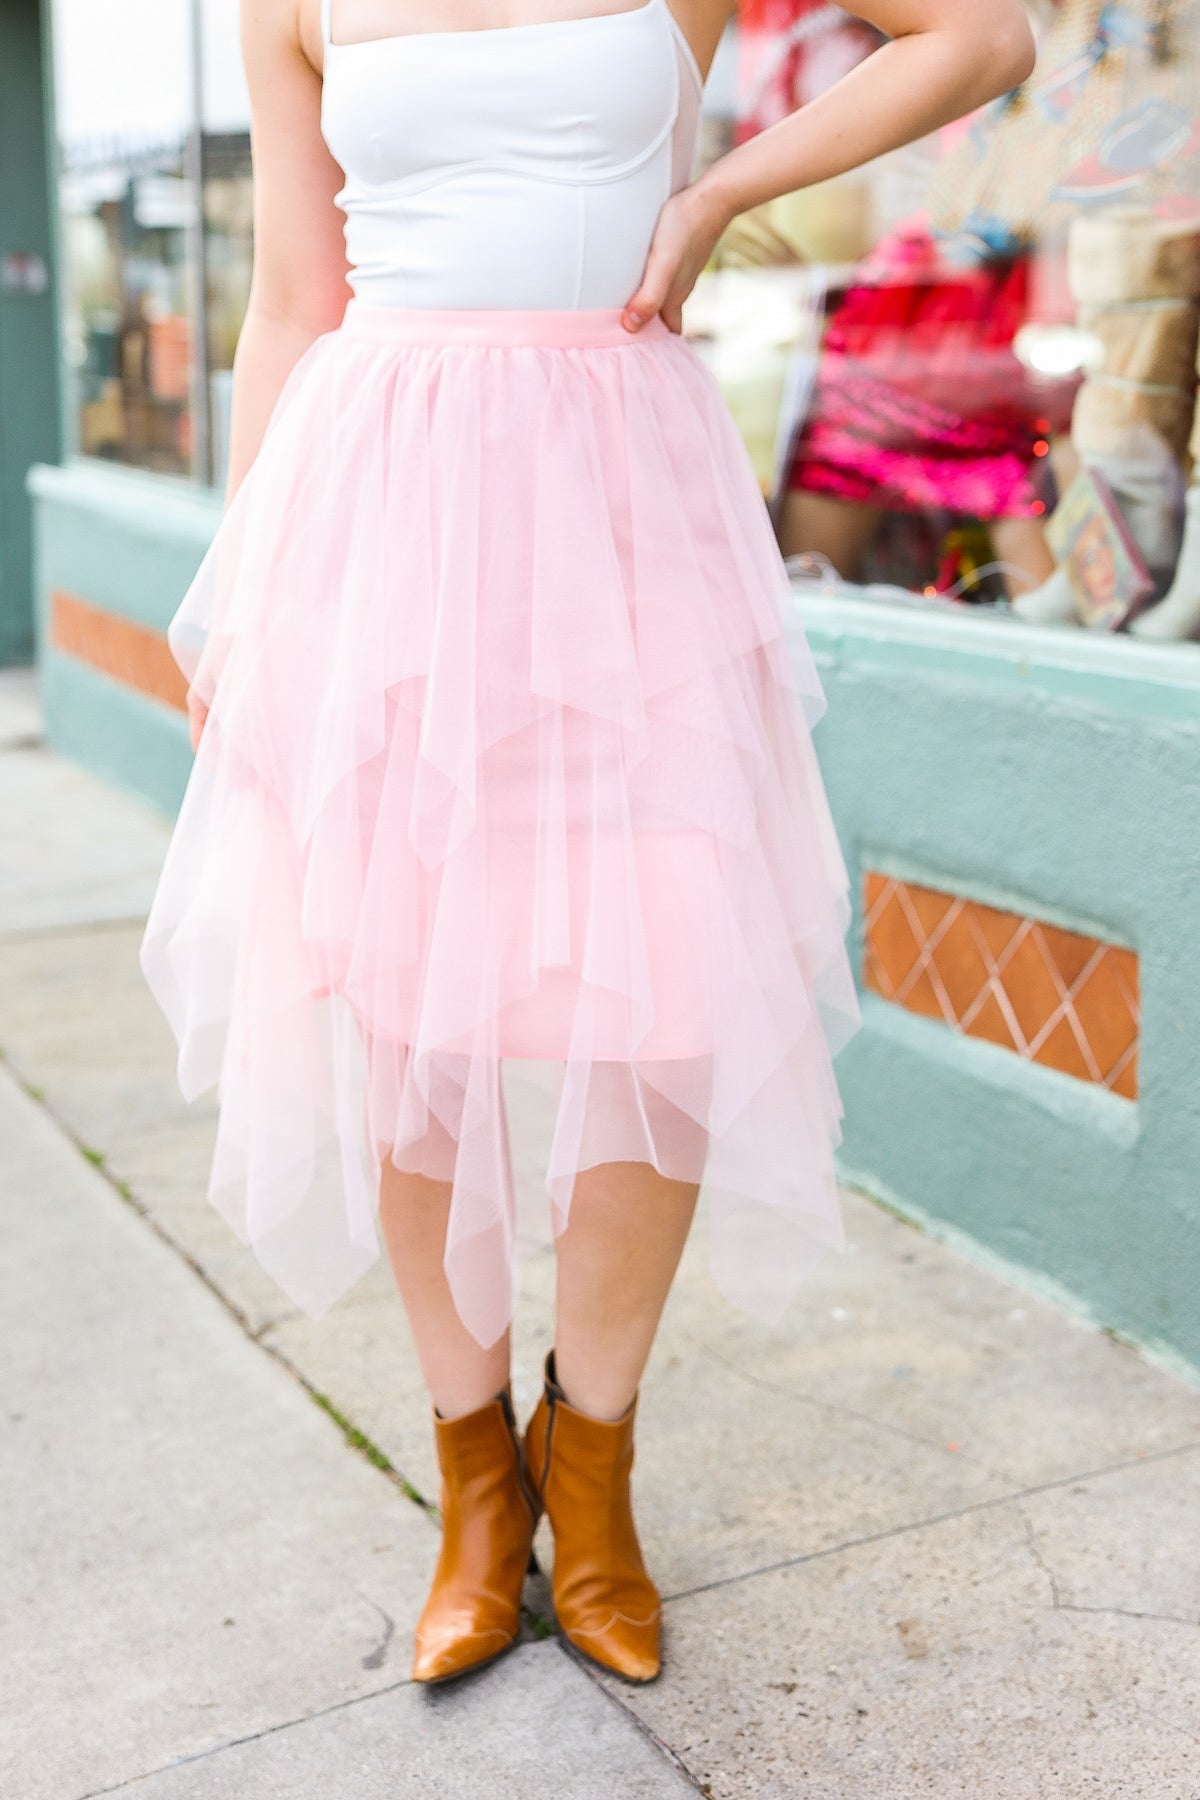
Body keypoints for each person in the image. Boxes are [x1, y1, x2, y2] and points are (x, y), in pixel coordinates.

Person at [140, 0, 1035, 1688]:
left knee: (662, 996)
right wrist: (241, 610)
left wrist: (714, 196)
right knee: (407, 1013)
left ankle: (594, 1469)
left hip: (622, 507)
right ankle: (479, 1492)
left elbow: (982, 41)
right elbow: (287, 298)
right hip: (379, 516)